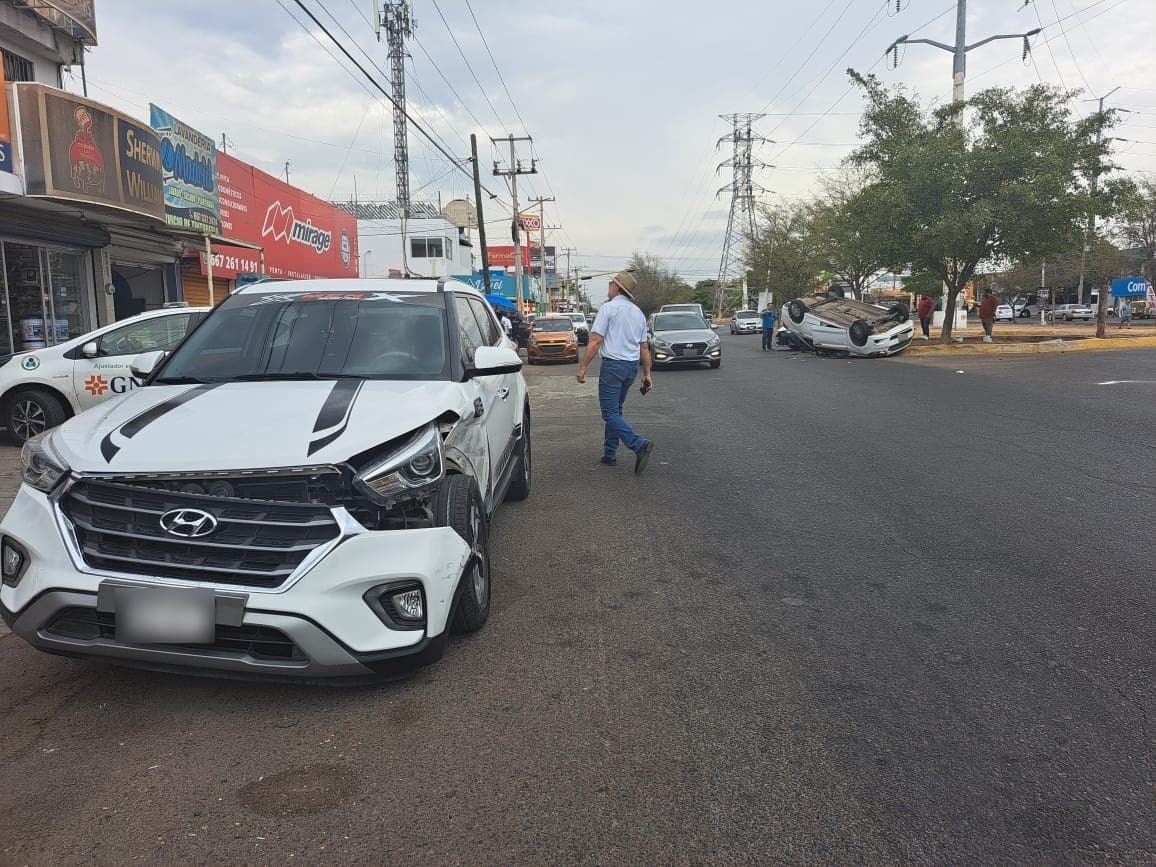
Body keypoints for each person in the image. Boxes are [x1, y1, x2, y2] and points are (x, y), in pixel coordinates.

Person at [576, 270, 655, 474]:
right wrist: (647, 374)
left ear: (617, 287)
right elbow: (644, 347)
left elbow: (595, 340)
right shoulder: (638, 313)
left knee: (609, 412)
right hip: (630, 367)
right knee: (616, 411)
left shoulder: (608, 309)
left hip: (613, 366)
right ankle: (609, 454)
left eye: (611, 283)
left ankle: (638, 444)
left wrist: (583, 366)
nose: (609, 286)